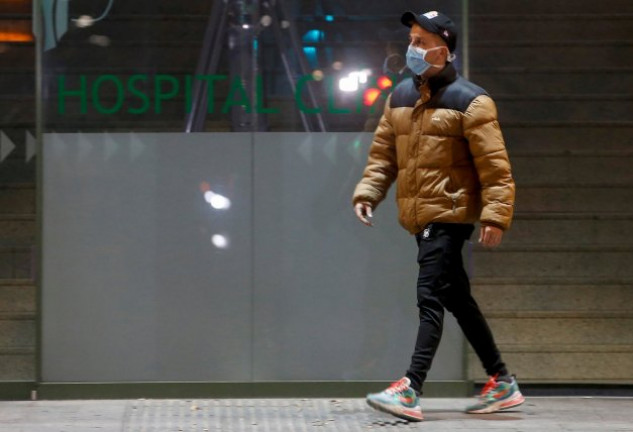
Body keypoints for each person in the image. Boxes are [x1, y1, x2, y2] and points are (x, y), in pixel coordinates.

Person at [352, 10, 524, 422]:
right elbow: (383, 156)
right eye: (410, 39)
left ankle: (410, 388)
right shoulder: (400, 98)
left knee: (429, 295)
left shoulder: (471, 101)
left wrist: (494, 216)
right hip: (420, 214)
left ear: (442, 50)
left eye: (420, 41)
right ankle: (502, 381)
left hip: (448, 214)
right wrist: (369, 192)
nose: (412, 48)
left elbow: (495, 167)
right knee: (456, 298)